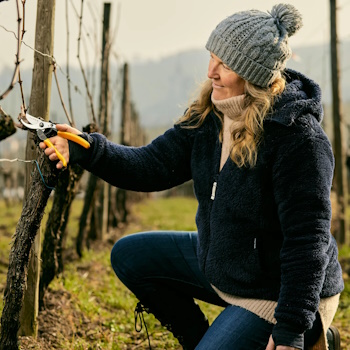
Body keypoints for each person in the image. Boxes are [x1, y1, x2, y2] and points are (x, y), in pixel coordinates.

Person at [40, 3, 344, 350]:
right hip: (227, 264)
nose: (211, 71)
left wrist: (291, 328)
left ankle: (314, 337)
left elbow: (307, 242)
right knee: (130, 255)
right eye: (212, 56)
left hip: (277, 294)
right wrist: (85, 148)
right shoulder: (210, 117)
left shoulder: (298, 139)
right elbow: (149, 165)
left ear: (253, 75)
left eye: (225, 64)